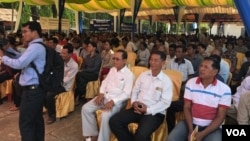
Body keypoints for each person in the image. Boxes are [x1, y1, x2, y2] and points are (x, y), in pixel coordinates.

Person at [109, 51, 173, 141]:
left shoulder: (166, 81)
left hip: (154, 113)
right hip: (137, 108)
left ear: (163, 63)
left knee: (141, 135)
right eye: (151, 59)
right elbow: (135, 91)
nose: (152, 62)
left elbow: (165, 103)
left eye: (156, 60)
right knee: (114, 121)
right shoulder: (143, 75)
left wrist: (147, 110)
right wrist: (134, 102)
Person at [0, 21, 46, 141]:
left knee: (26, 124)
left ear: (35, 32)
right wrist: (8, 50)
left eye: (25, 31)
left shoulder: (35, 47)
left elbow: (20, 63)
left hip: (32, 92)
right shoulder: (36, 46)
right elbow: (22, 57)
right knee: (36, 122)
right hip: (36, 90)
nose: (23, 34)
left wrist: (2, 57)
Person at [167, 56, 231, 141]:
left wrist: (203, 133)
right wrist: (190, 130)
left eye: (206, 67)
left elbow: (220, 117)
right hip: (190, 123)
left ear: (215, 72)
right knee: (172, 139)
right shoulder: (191, 83)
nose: (201, 69)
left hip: (211, 127)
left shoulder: (224, 89)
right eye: (201, 66)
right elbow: (187, 107)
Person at [81, 49, 134, 141]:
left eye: (117, 59)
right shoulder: (112, 70)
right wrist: (101, 93)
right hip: (104, 97)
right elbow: (104, 83)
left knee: (105, 116)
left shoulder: (129, 75)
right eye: (114, 59)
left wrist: (113, 101)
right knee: (85, 108)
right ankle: (93, 134)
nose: (114, 61)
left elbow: (127, 94)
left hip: (117, 102)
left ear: (124, 61)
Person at [45, 43, 78, 124]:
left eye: (64, 53)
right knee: (42, 88)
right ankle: (47, 107)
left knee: (49, 95)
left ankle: (52, 114)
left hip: (64, 86)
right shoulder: (60, 62)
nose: (61, 55)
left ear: (70, 54)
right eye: (61, 53)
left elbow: (66, 79)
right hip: (57, 81)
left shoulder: (74, 66)